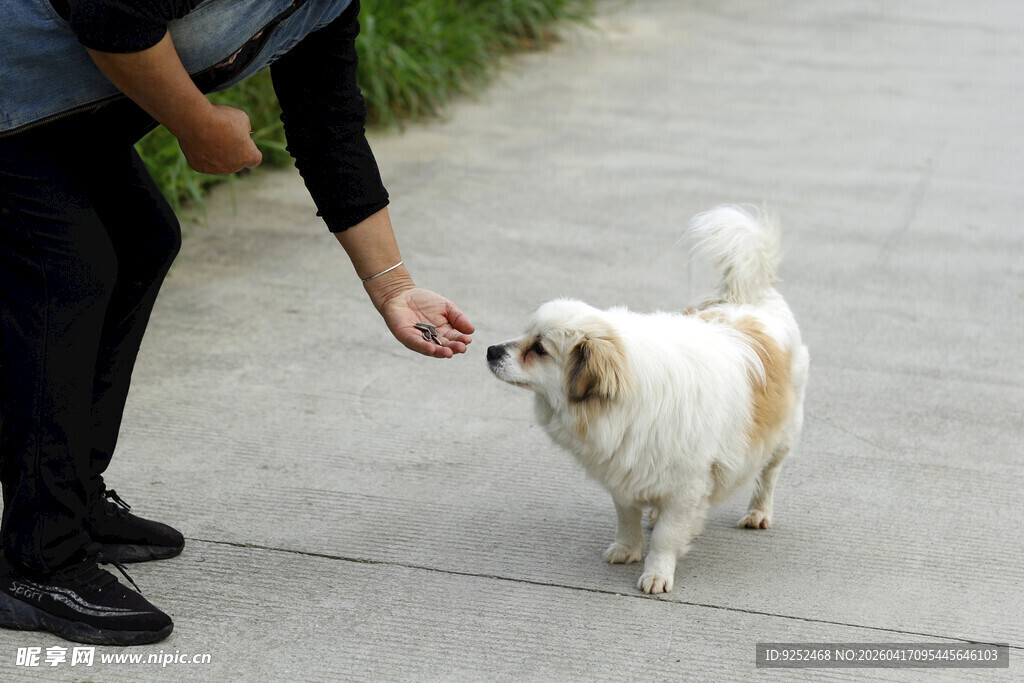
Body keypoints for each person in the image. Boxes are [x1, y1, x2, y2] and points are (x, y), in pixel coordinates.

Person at [0, 0, 474, 646]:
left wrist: (391, 284)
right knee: (67, 268)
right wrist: (198, 126)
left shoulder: (324, 6)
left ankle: (70, 496)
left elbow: (326, 125)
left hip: (51, 121)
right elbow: (108, 13)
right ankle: (38, 558)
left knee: (140, 239)